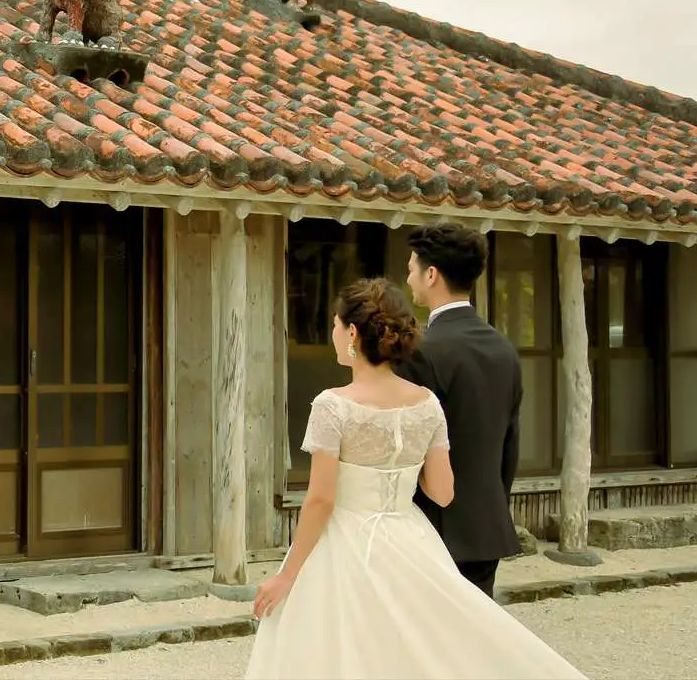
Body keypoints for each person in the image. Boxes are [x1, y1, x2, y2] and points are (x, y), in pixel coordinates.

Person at [244, 279, 583, 679]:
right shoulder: (426, 403)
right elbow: (442, 492)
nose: (334, 335)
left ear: (352, 333)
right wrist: (401, 465)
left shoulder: (332, 405)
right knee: (416, 645)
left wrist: (287, 575)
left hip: (344, 543)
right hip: (410, 538)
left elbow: (321, 499)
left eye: (336, 326)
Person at [396, 221, 524, 597]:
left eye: (411, 269)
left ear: (431, 274)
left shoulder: (422, 352)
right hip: (487, 524)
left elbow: (408, 448)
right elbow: (509, 446)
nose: (409, 278)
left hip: (433, 528)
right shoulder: (504, 349)